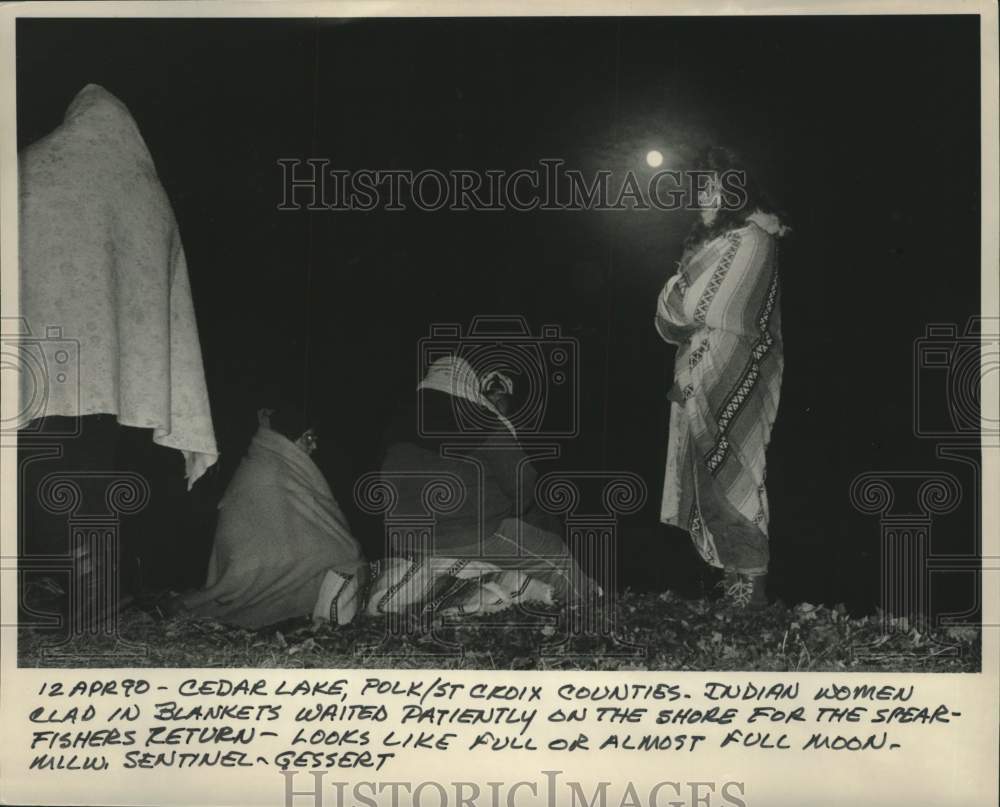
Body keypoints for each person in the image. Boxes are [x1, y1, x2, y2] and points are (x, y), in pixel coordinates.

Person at [16, 84, 218, 625]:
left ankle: (47, 603)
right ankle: (90, 609)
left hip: (27, 366)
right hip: (102, 380)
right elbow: (158, 292)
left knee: (34, 477)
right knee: (86, 483)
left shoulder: (29, 168)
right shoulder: (139, 185)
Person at [655, 146, 788, 608]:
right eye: (700, 189)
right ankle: (735, 586)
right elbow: (666, 320)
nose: (705, 197)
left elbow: (693, 306)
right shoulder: (704, 249)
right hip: (696, 379)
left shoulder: (754, 240)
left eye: (714, 187)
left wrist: (680, 294)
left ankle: (752, 591)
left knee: (734, 479)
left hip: (737, 376)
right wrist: (680, 298)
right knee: (707, 487)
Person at [369, 355, 596, 616]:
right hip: (467, 532)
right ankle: (590, 608)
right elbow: (524, 483)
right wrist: (510, 513)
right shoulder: (480, 418)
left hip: (404, 538)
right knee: (554, 553)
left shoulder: (397, 423)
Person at [180, 404, 367, 628]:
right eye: (308, 438)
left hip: (263, 560)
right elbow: (278, 535)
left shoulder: (277, 462)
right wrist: (337, 548)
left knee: (342, 558)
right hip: (247, 568)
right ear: (288, 439)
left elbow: (301, 524)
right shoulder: (269, 468)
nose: (315, 445)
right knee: (344, 557)